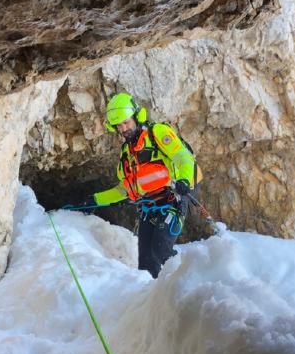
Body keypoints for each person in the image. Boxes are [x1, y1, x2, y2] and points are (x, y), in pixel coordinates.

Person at [65, 92, 198, 278]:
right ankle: (153, 301)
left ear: (136, 116)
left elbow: (183, 157)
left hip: (173, 197)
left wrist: (184, 180)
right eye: (119, 125)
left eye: (126, 122)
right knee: (145, 262)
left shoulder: (157, 133)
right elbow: (125, 190)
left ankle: (192, 282)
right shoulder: (127, 153)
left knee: (161, 250)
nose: (123, 128)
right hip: (150, 206)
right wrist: (95, 200)